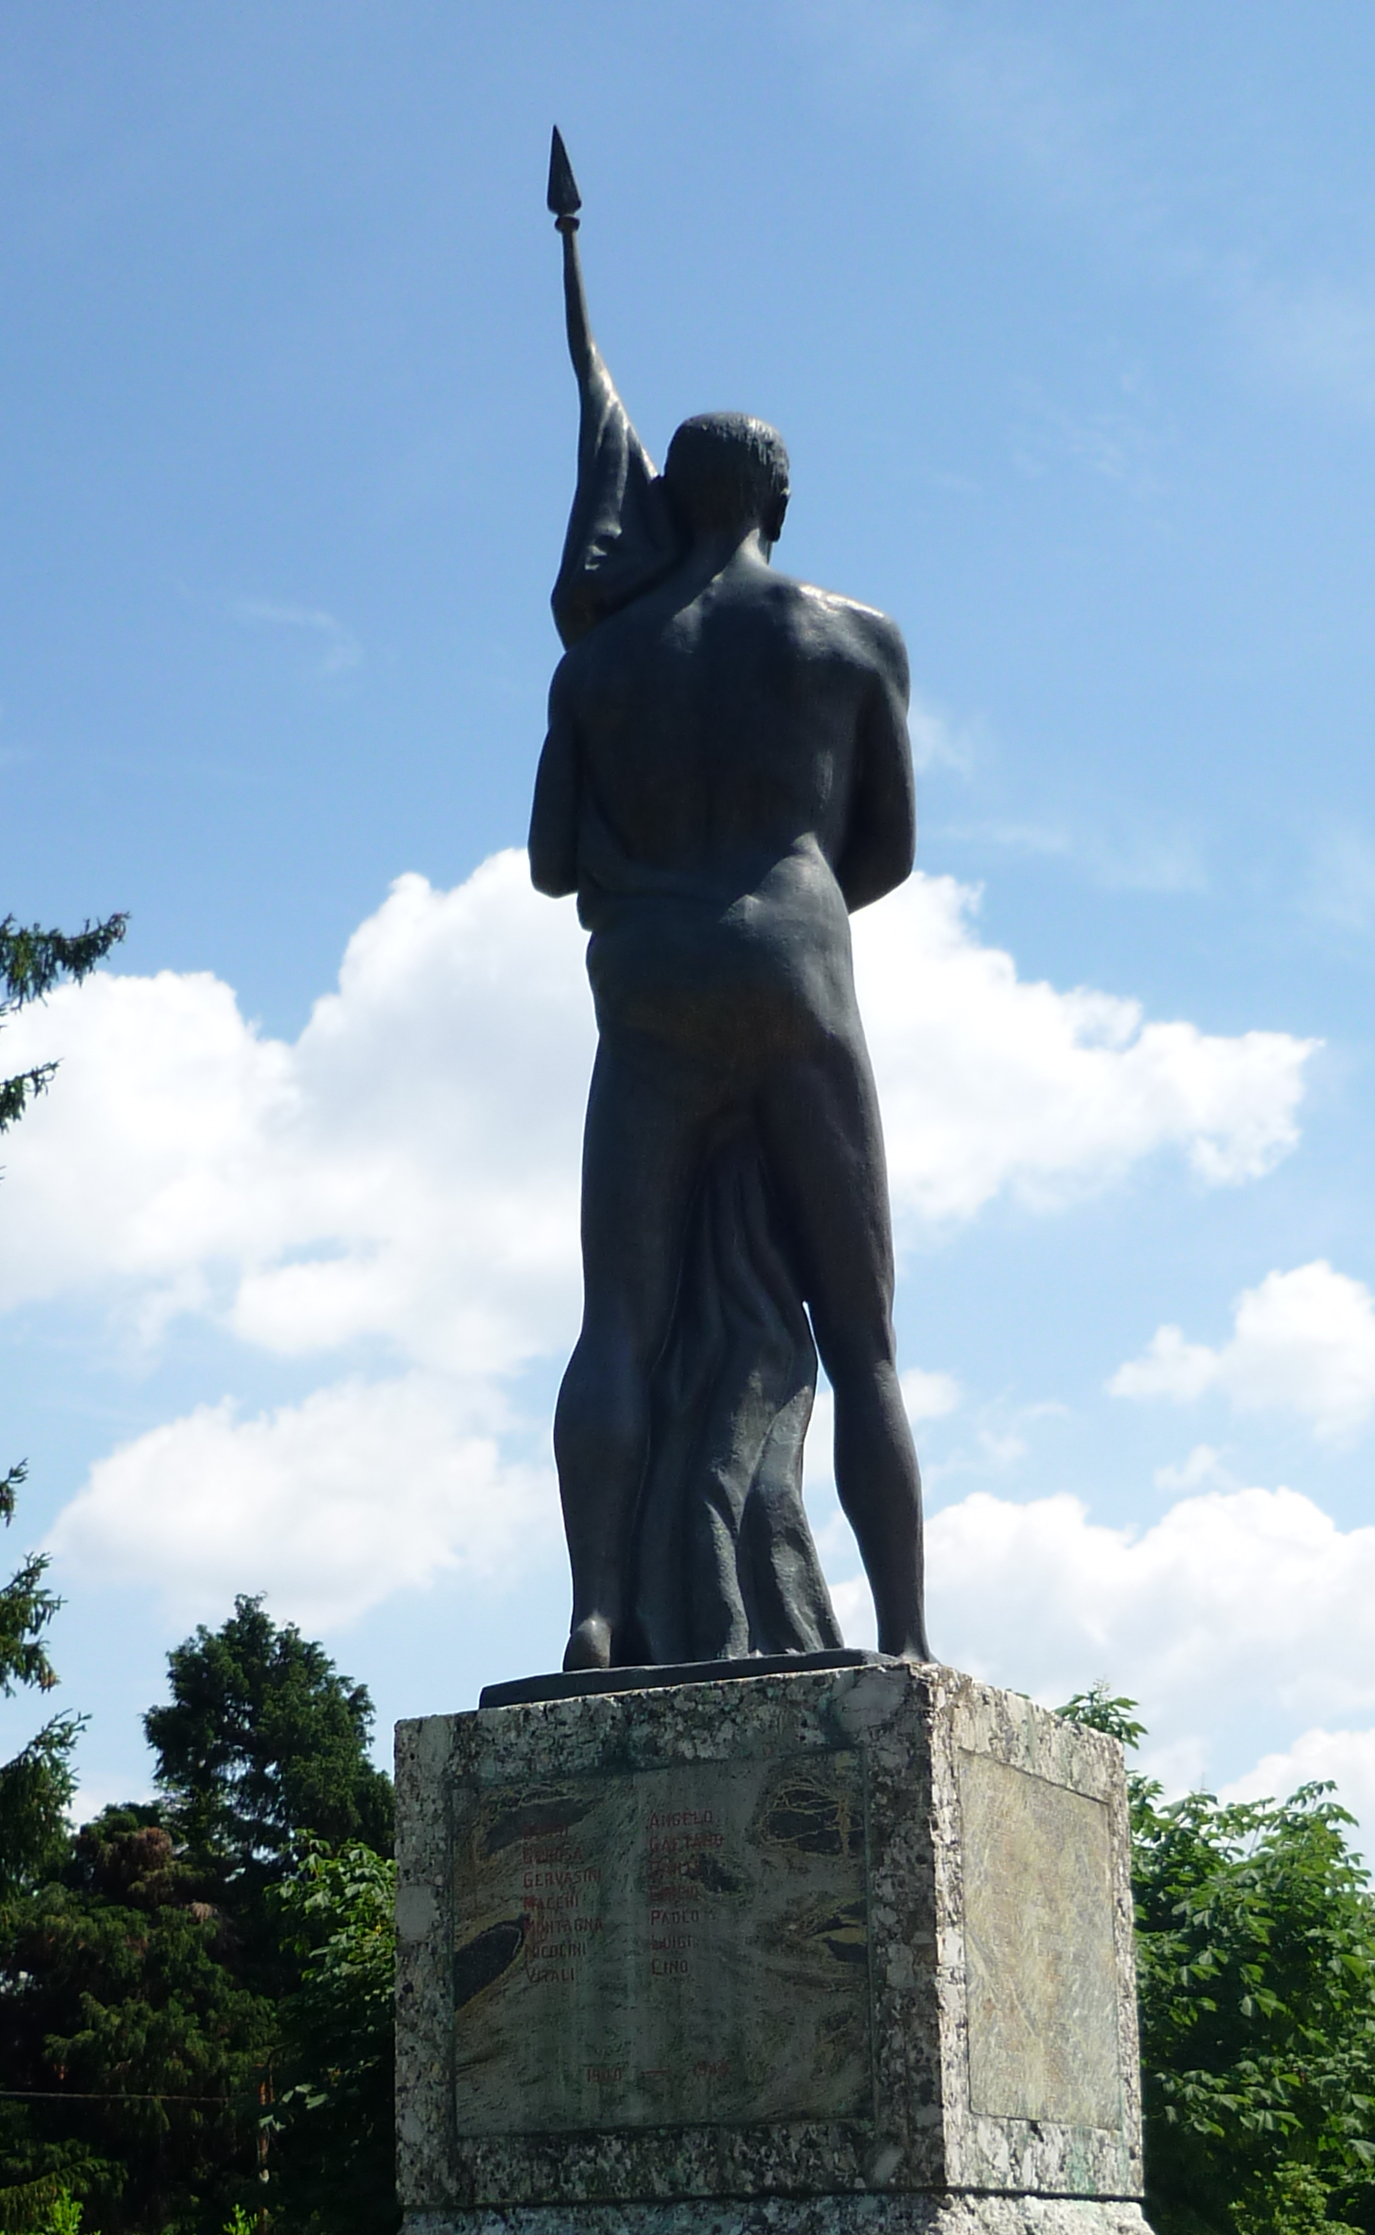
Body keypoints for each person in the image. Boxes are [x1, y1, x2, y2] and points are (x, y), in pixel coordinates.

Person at [530, 158, 929, 1673]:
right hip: (795, 966)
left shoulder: (598, 668)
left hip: (649, 992)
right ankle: (900, 1636)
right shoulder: (854, 638)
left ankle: (596, 1608)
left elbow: (553, 864)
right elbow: (881, 852)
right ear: (775, 496)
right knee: (864, 1335)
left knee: (616, 1321)